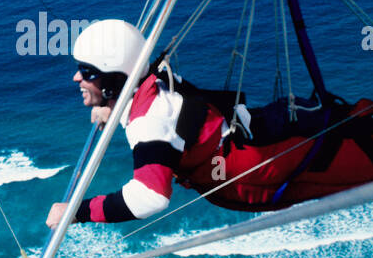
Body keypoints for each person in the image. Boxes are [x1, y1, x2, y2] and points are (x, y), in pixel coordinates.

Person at [46, 19, 250, 227]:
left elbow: (151, 197)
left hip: (250, 179)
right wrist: (112, 107)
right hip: (243, 141)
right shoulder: (153, 81)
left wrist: (77, 211)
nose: (76, 77)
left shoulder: (148, 122)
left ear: (113, 80)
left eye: (87, 72)